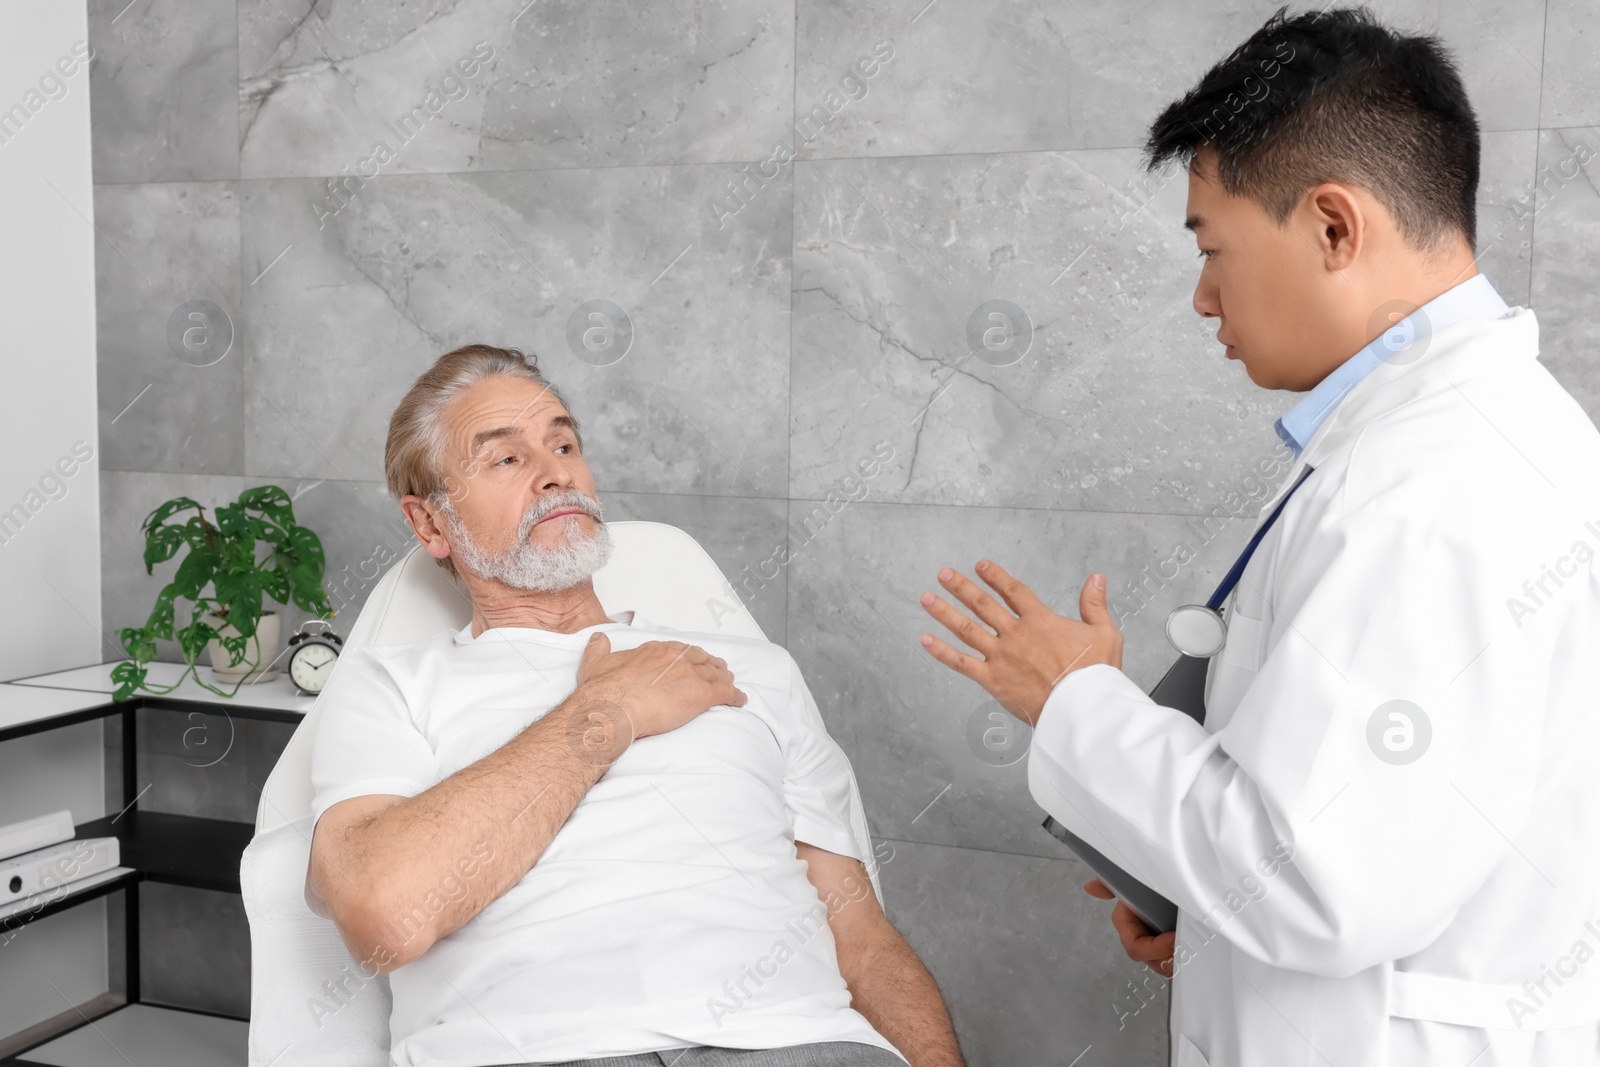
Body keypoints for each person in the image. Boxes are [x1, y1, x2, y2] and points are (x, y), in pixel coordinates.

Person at [916, 7, 1600, 1066]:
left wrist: (1070, 700)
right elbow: (1383, 832)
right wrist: (1206, 912)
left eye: (1212, 246)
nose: (1200, 297)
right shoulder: (1436, 443)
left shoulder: (1438, 484)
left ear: (1333, 226)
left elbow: (1323, 882)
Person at [306, 345, 965, 1067]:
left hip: (801, 1044)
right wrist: (605, 713)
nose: (556, 470)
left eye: (563, 444)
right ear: (431, 525)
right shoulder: (388, 684)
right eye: (506, 459)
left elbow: (863, 938)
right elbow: (383, 919)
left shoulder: (756, 670)